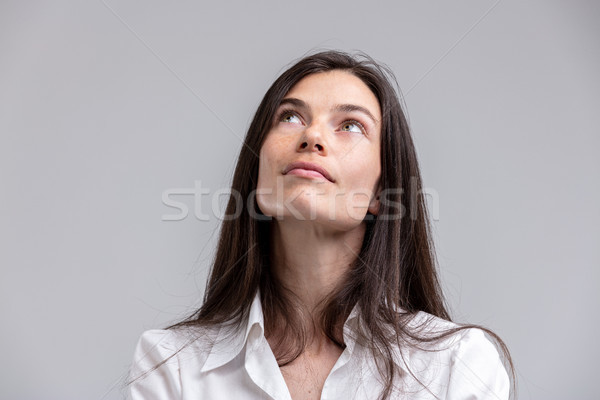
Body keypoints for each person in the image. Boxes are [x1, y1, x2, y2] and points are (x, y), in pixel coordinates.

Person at [126, 50, 514, 400]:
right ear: (257, 170)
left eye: (350, 125)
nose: (312, 135)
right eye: (290, 117)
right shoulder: (170, 366)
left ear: (382, 193)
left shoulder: (458, 365)